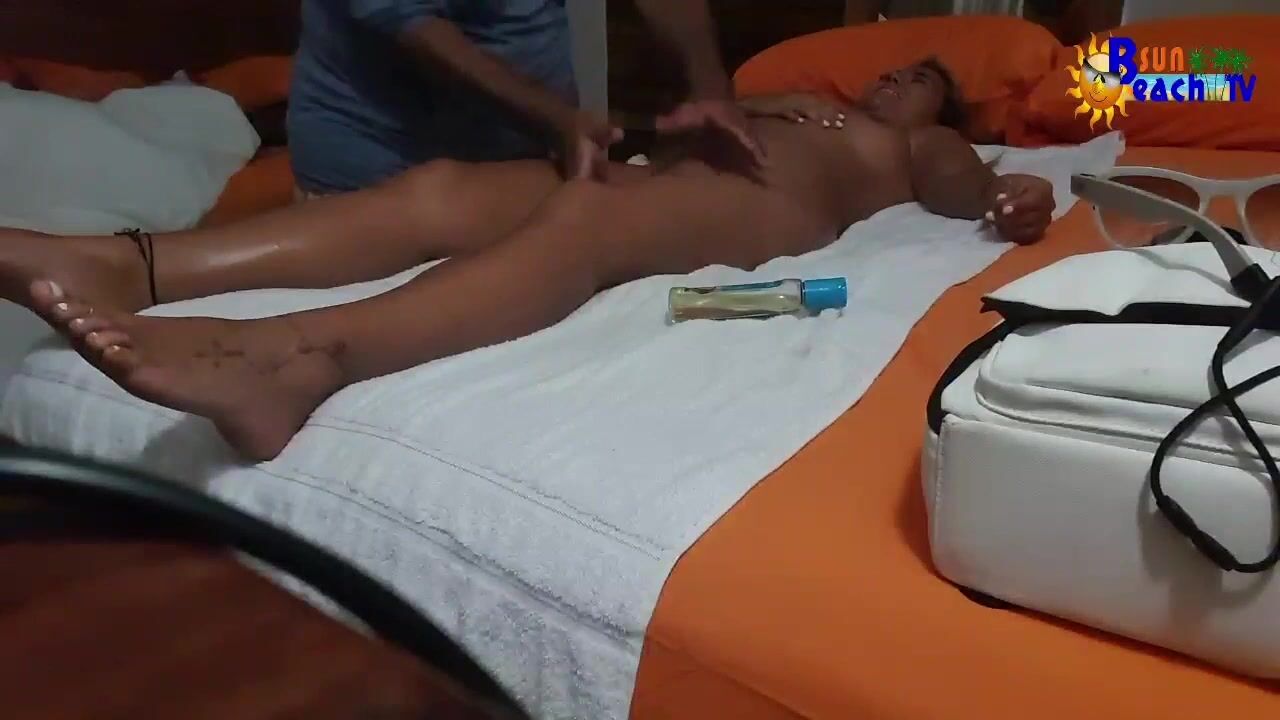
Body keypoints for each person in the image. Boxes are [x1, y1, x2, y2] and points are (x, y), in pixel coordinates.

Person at [0, 59, 1055, 462]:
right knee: (439, 190)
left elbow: (969, 192)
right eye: (893, 70)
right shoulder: (796, 94)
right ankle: (127, 265)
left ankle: (299, 358)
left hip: (760, 212)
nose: (896, 79)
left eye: (921, 76)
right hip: (660, 173)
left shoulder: (916, 143)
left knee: (579, 229)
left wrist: (1007, 196)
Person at [289, 0, 764, 194]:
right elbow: (415, 30)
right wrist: (558, 119)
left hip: (517, 158)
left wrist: (712, 93)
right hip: (379, 167)